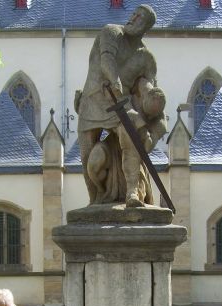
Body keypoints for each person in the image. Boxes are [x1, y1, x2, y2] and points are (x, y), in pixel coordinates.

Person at [76, 4, 166, 208]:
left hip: (121, 105)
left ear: (146, 27)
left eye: (140, 18)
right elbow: (107, 59)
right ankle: (95, 201)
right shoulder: (111, 32)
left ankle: (132, 192)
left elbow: (150, 87)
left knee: (131, 138)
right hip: (93, 102)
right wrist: (115, 83)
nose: (133, 18)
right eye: (134, 14)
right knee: (86, 156)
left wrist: (153, 100)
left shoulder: (146, 57)